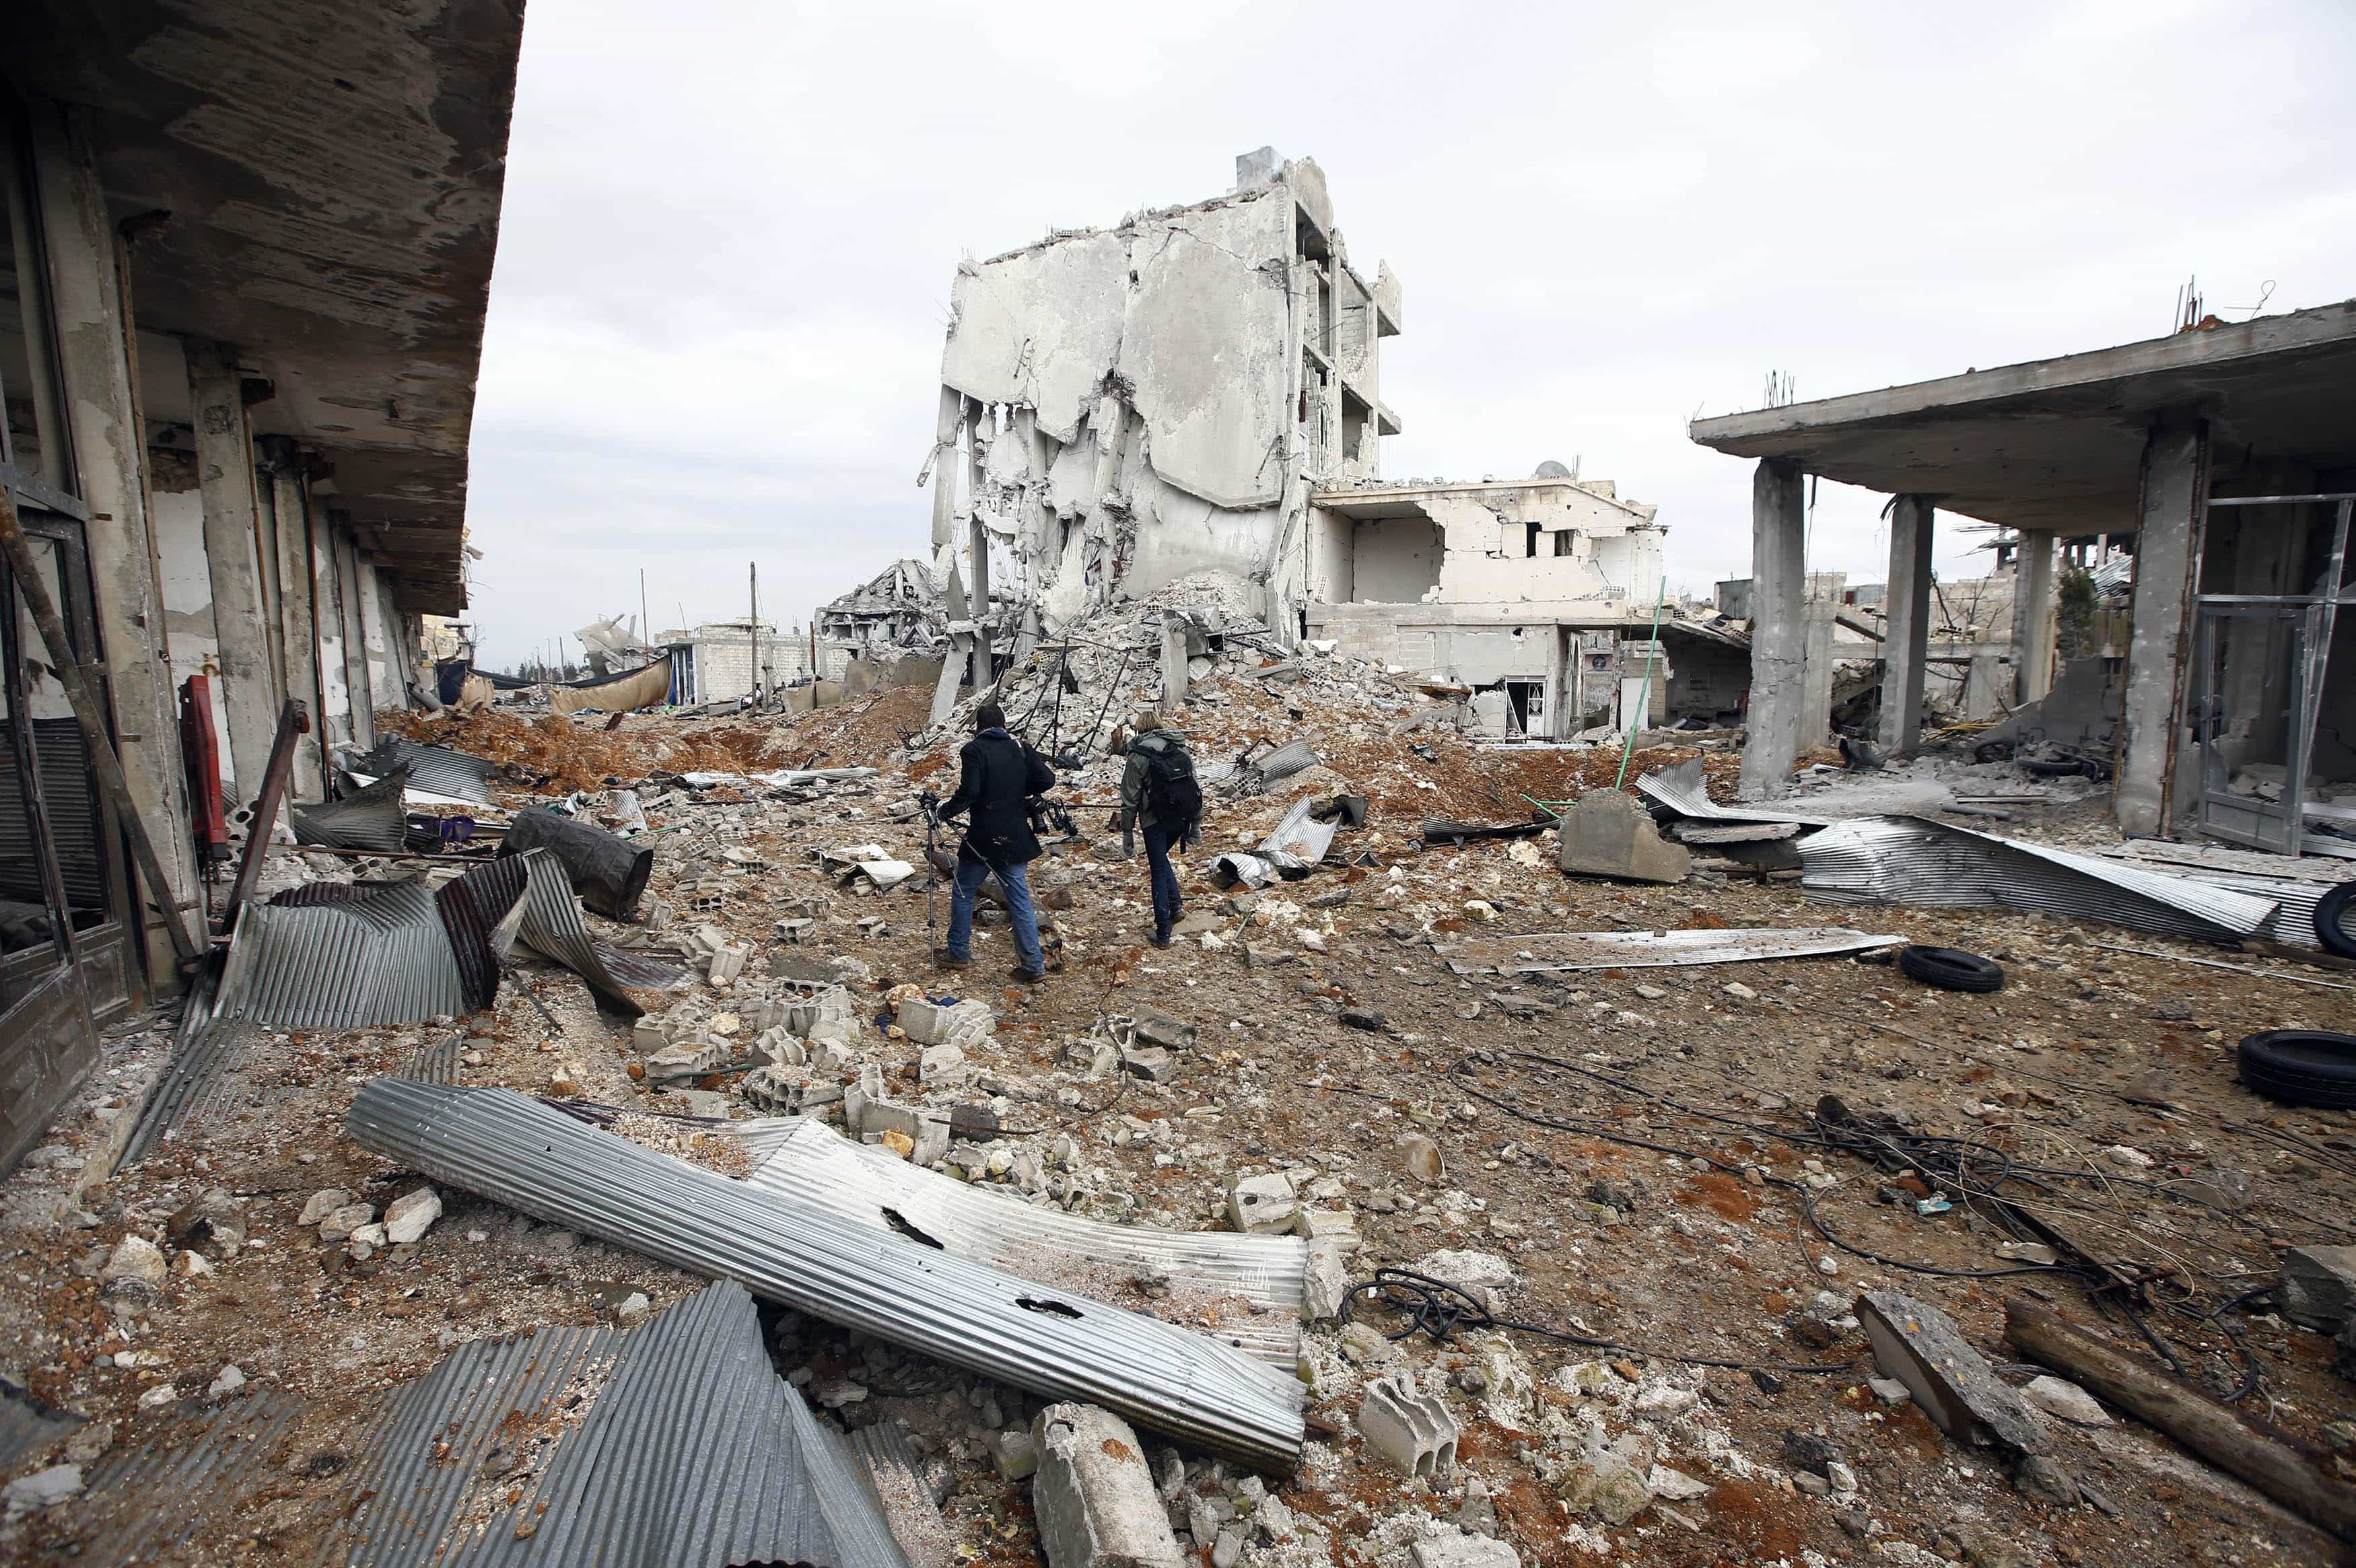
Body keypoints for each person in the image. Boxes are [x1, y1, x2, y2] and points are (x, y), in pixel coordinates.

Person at [934, 702, 1055, 982]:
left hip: (983, 836)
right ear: (1004, 724)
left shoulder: (973, 750)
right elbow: (1047, 779)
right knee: (1019, 899)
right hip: (1015, 833)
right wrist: (1024, 791)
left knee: (964, 890)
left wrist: (946, 811)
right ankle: (1033, 966)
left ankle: (958, 953)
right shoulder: (1020, 747)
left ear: (978, 727)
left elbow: (970, 792)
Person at [1117, 713, 1202, 948]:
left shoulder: (1138, 755)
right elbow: (1195, 788)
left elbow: (1130, 798)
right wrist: (1196, 824)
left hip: (1154, 820)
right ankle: (1176, 907)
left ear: (1139, 730)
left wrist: (1127, 833)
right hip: (1181, 819)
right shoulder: (1180, 748)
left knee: (1157, 870)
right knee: (1161, 860)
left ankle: (1163, 932)